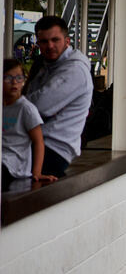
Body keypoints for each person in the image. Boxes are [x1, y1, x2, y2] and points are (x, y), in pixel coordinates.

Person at [23, 15, 93, 177]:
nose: (50, 46)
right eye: (44, 42)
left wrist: (18, 104)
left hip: (53, 149)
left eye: (55, 40)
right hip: (34, 143)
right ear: (38, 43)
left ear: (67, 41)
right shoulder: (45, 65)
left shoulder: (75, 70)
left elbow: (38, 106)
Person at [2, 59, 57, 190]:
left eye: (19, 78)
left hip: (14, 166)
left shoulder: (26, 109)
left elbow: (38, 141)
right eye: (8, 78)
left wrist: (36, 172)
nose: (14, 82)